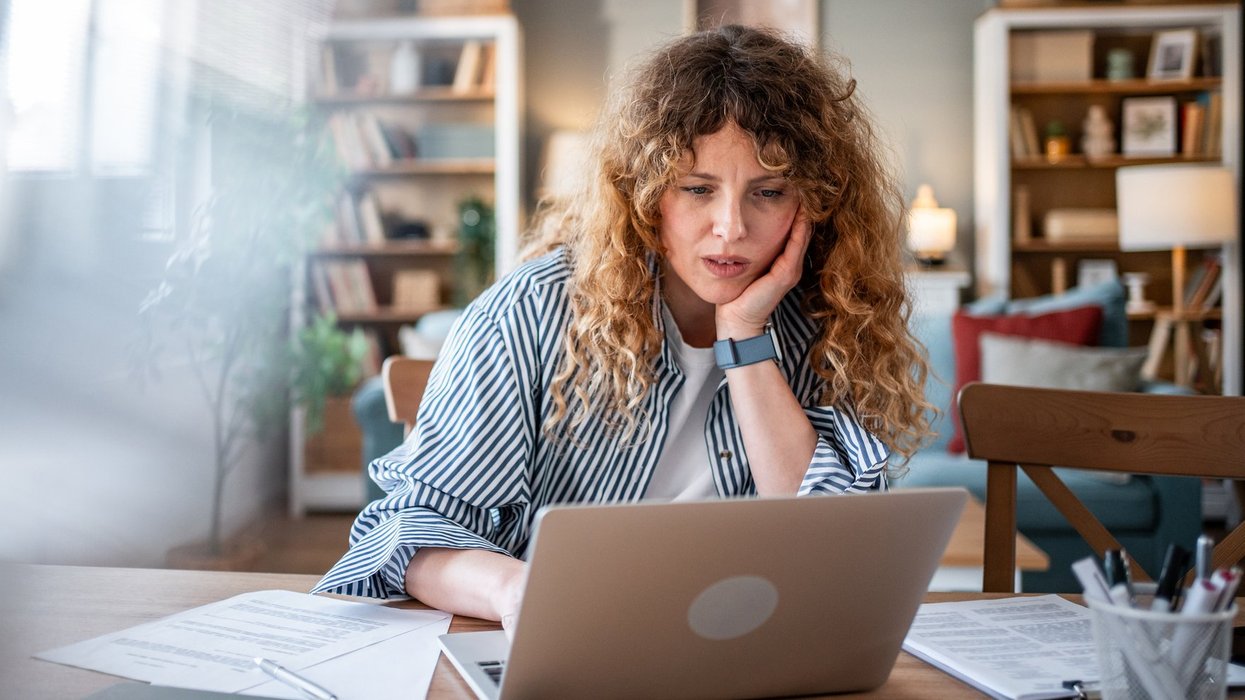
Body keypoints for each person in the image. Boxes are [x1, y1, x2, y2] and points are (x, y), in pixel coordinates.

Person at [313, 24, 932, 631]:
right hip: (571, 640)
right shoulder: (532, 313)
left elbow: (832, 552)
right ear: (644, 193)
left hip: (743, 648)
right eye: (697, 189)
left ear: (813, 204)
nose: (731, 227)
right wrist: (515, 588)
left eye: (767, 193)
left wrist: (744, 338)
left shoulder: (827, 323)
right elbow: (407, 532)